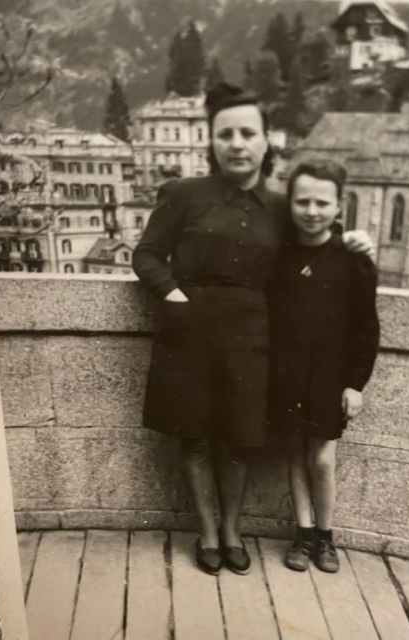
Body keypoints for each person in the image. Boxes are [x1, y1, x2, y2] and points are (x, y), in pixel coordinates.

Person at [132, 82, 374, 577]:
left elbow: (318, 237)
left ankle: (232, 534)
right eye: (226, 134)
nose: (237, 143)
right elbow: (147, 254)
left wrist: (358, 240)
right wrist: (174, 295)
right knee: (196, 441)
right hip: (189, 336)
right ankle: (206, 534)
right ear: (212, 142)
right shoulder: (183, 194)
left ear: (267, 142)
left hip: (253, 343)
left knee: (241, 442)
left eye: (248, 133)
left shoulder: (283, 205)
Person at [268, 161, 380, 574]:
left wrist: (355, 385)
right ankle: (302, 533)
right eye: (303, 201)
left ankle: (326, 537)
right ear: (290, 203)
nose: (311, 210)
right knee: (295, 455)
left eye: (322, 202)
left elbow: (366, 328)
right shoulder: (278, 255)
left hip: (329, 378)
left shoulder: (354, 260)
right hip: (288, 374)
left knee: (322, 459)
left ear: (339, 205)